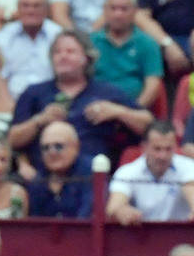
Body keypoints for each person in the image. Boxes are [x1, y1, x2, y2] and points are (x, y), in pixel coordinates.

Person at [8, 28, 153, 175]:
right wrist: (40, 120)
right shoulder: (34, 93)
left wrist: (117, 112)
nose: (62, 56)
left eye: (70, 52)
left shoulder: (107, 92)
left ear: (87, 58)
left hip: (93, 176)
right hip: (43, 177)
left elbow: (148, 125)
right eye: (57, 52)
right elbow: (12, 139)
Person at [108, 120, 194, 224]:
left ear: (175, 147)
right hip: (142, 236)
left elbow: (192, 191)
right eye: (157, 149)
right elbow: (114, 206)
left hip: (180, 236)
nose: (162, 156)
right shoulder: (127, 171)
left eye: (168, 149)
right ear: (144, 147)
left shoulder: (188, 166)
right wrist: (122, 211)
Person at [92, 0, 163, 110]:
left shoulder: (148, 43)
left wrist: (132, 111)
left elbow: (153, 85)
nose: (118, 14)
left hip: (133, 112)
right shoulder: (90, 42)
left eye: (124, 9)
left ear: (135, 11)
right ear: (104, 10)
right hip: (95, 111)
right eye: (113, 8)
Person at [0, 0, 62, 99]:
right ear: (18, 8)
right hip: (11, 100)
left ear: (47, 10)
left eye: (37, 6)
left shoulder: (58, 35)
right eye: (25, 6)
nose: (31, 11)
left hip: (50, 101)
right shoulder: (4, 36)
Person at [26, 119, 95, 216]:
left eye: (58, 146)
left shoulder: (91, 171)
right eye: (46, 148)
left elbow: (87, 216)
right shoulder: (37, 180)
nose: (52, 152)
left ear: (76, 147)